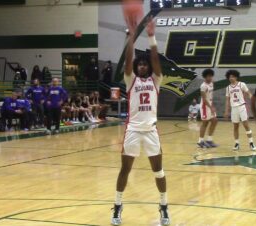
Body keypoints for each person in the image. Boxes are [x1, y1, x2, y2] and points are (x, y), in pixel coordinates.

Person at [111, 17, 170, 226]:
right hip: (133, 130)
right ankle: (118, 205)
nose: (144, 66)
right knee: (124, 170)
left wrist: (152, 37)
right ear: (137, 67)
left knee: (158, 171)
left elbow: (156, 60)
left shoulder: (156, 80)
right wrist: (131, 39)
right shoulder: (131, 80)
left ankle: (163, 206)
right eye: (141, 64)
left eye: (146, 64)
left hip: (151, 130)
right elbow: (128, 62)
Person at [224, 70, 256, 151]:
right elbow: (227, 100)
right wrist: (227, 111)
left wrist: (252, 97)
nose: (231, 78)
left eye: (232, 76)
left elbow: (248, 93)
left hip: (241, 107)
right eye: (230, 77)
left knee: (246, 125)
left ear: (236, 77)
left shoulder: (242, 84)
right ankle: (237, 143)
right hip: (234, 108)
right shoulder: (228, 88)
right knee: (235, 126)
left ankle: (251, 143)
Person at [197, 69, 218, 148]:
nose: (210, 77)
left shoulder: (212, 83)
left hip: (210, 105)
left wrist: (212, 106)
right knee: (205, 123)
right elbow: (204, 99)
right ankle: (200, 141)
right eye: (208, 76)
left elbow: (210, 95)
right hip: (205, 106)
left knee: (215, 121)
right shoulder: (203, 86)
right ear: (204, 77)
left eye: (211, 76)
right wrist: (211, 107)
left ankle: (209, 140)